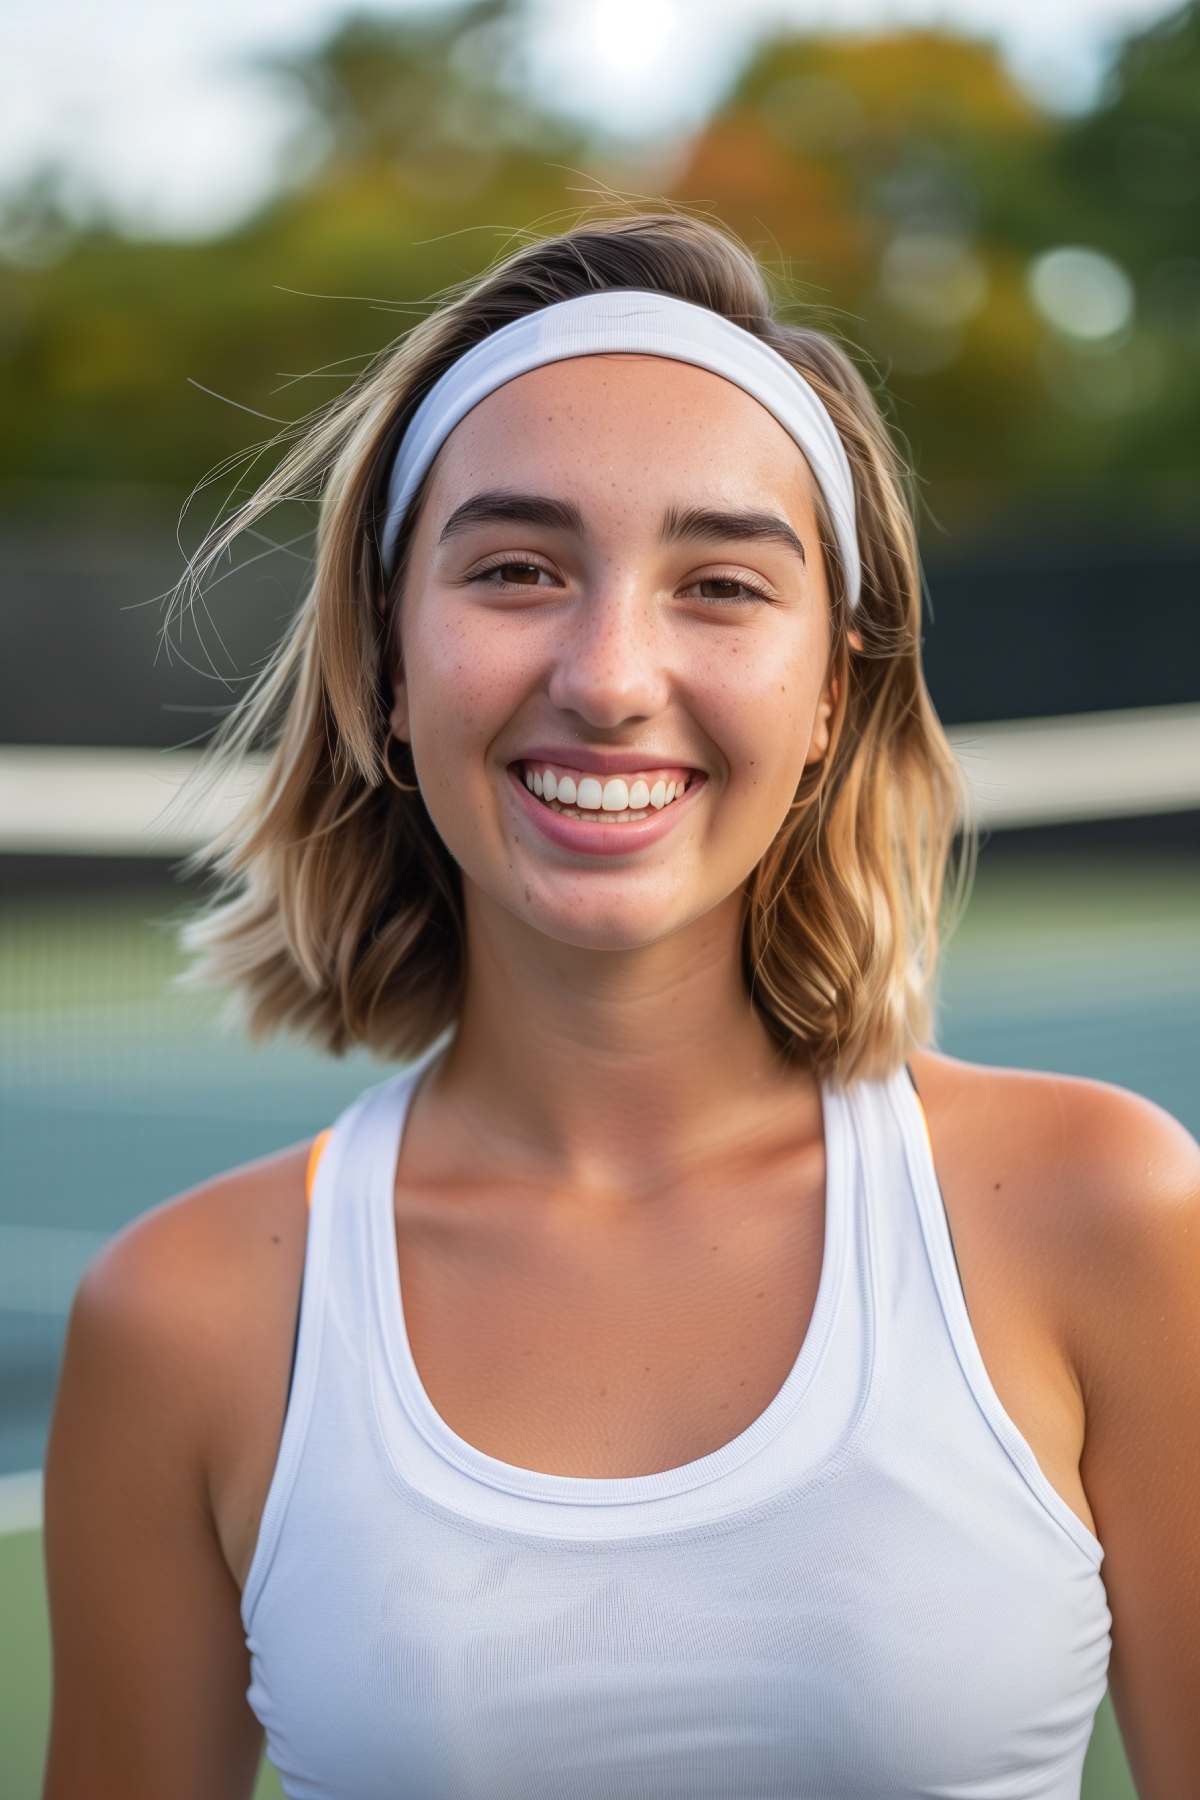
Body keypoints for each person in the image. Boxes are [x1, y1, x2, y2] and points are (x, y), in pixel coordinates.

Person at [41, 209, 1199, 1799]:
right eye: (516, 569)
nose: (607, 672)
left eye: (720, 584)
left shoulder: (1105, 1214)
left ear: (829, 698)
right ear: (386, 657)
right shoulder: (181, 1319)